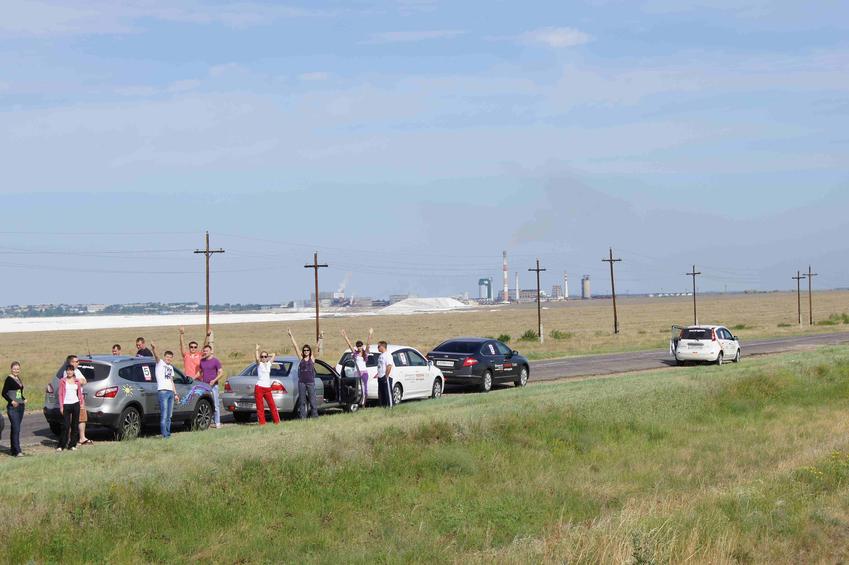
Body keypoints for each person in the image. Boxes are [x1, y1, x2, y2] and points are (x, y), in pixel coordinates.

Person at [288, 329, 322, 419]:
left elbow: (316, 348)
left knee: (312, 400)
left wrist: (320, 338)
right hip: (302, 382)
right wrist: (291, 336)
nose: (306, 351)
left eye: (307, 350)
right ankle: (303, 417)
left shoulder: (312, 359)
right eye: (305, 350)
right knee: (302, 401)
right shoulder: (301, 358)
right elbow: (295, 346)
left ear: (309, 351)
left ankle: (315, 416)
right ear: (303, 351)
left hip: (310, 382)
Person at [151, 343, 180, 439]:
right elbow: (156, 356)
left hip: (171, 392)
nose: (169, 359)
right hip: (163, 392)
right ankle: (164, 435)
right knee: (164, 414)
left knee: (169, 415)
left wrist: (175, 394)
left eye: (170, 357)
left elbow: (172, 381)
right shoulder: (160, 363)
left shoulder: (171, 368)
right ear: (164, 357)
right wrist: (154, 348)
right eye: (167, 357)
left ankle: (168, 433)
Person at [341, 328, 373, 407]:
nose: (359, 347)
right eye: (358, 346)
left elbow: (368, 344)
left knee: (365, 388)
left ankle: (363, 403)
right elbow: (349, 345)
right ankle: (357, 402)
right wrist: (345, 336)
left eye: (360, 346)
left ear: (362, 346)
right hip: (357, 372)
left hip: (364, 372)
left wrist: (370, 334)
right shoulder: (355, 353)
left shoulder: (365, 353)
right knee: (357, 388)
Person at [66, 355, 93, 446]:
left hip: (80, 398)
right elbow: (70, 381)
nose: (78, 363)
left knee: (82, 418)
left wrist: (78, 380)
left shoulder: (77, 371)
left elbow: (84, 381)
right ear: (71, 362)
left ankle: (82, 438)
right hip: (71, 400)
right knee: (71, 420)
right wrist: (78, 380)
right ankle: (69, 440)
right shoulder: (66, 372)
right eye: (76, 361)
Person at [58, 365, 84, 451]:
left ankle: (72, 444)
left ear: (73, 371)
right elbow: (60, 394)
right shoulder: (62, 381)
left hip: (75, 404)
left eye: (71, 370)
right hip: (66, 404)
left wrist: (81, 403)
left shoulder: (77, 381)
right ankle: (61, 445)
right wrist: (61, 406)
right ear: (66, 371)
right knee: (65, 425)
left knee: (75, 425)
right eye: (68, 370)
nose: (69, 372)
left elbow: (79, 393)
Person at [198, 344, 224, 428]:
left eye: (207, 351)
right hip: (205, 386)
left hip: (213, 386)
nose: (205, 352)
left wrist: (214, 380)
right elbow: (200, 373)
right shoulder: (202, 361)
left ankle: (217, 423)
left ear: (211, 351)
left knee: (215, 404)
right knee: (206, 403)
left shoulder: (215, 361)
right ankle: (207, 422)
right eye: (204, 351)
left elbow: (221, 373)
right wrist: (191, 378)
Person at [254, 344, 280, 426]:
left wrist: (268, 355)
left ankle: (277, 422)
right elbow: (257, 359)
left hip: (267, 388)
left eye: (265, 356)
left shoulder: (269, 364)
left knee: (272, 405)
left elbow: (274, 355)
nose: (264, 358)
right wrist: (257, 350)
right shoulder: (259, 364)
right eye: (262, 357)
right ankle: (262, 423)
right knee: (260, 407)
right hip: (259, 387)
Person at [3, 362, 25, 457]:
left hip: (21, 406)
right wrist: (12, 401)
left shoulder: (18, 378)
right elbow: (4, 393)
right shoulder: (9, 379)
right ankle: (18, 451)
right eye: (15, 369)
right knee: (16, 428)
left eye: (18, 369)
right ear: (11, 369)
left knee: (15, 428)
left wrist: (23, 399)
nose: (16, 370)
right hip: (13, 408)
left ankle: (13, 450)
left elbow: (19, 392)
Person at [376, 340, 394, 409]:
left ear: (382, 346)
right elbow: (380, 366)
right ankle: (383, 406)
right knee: (381, 393)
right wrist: (378, 374)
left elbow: (389, 366)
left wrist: (386, 376)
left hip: (386, 376)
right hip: (380, 376)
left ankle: (390, 406)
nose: (377, 348)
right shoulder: (381, 355)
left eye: (378, 346)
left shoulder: (388, 355)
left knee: (387, 392)